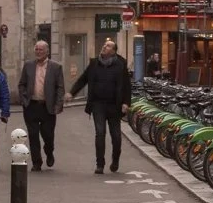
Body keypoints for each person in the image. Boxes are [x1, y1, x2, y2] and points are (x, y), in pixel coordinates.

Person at [70, 38, 133, 174]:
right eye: (104, 45)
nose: (104, 47)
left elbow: (127, 86)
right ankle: (100, 164)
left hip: (114, 105)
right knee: (100, 133)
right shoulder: (94, 64)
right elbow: (83, 79)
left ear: (114, 51)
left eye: (108, 46)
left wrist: (126, 103)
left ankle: (115, 160)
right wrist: (72, 93)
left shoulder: (120, 65)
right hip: (98, 104)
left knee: (116, 136)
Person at [15, 41, 66, 170]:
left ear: (47, 51)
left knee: (48, 135)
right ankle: (36, 162)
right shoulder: (28, 65)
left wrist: (58, 105)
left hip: (47, 107)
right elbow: (22, 84)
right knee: (33, 135)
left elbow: (60, 88)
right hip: (31, 106)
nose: (38, 52)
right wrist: (24, 99)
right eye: (36, 49)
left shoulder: (56, 67)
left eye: (41, 50)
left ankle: (49, 152)